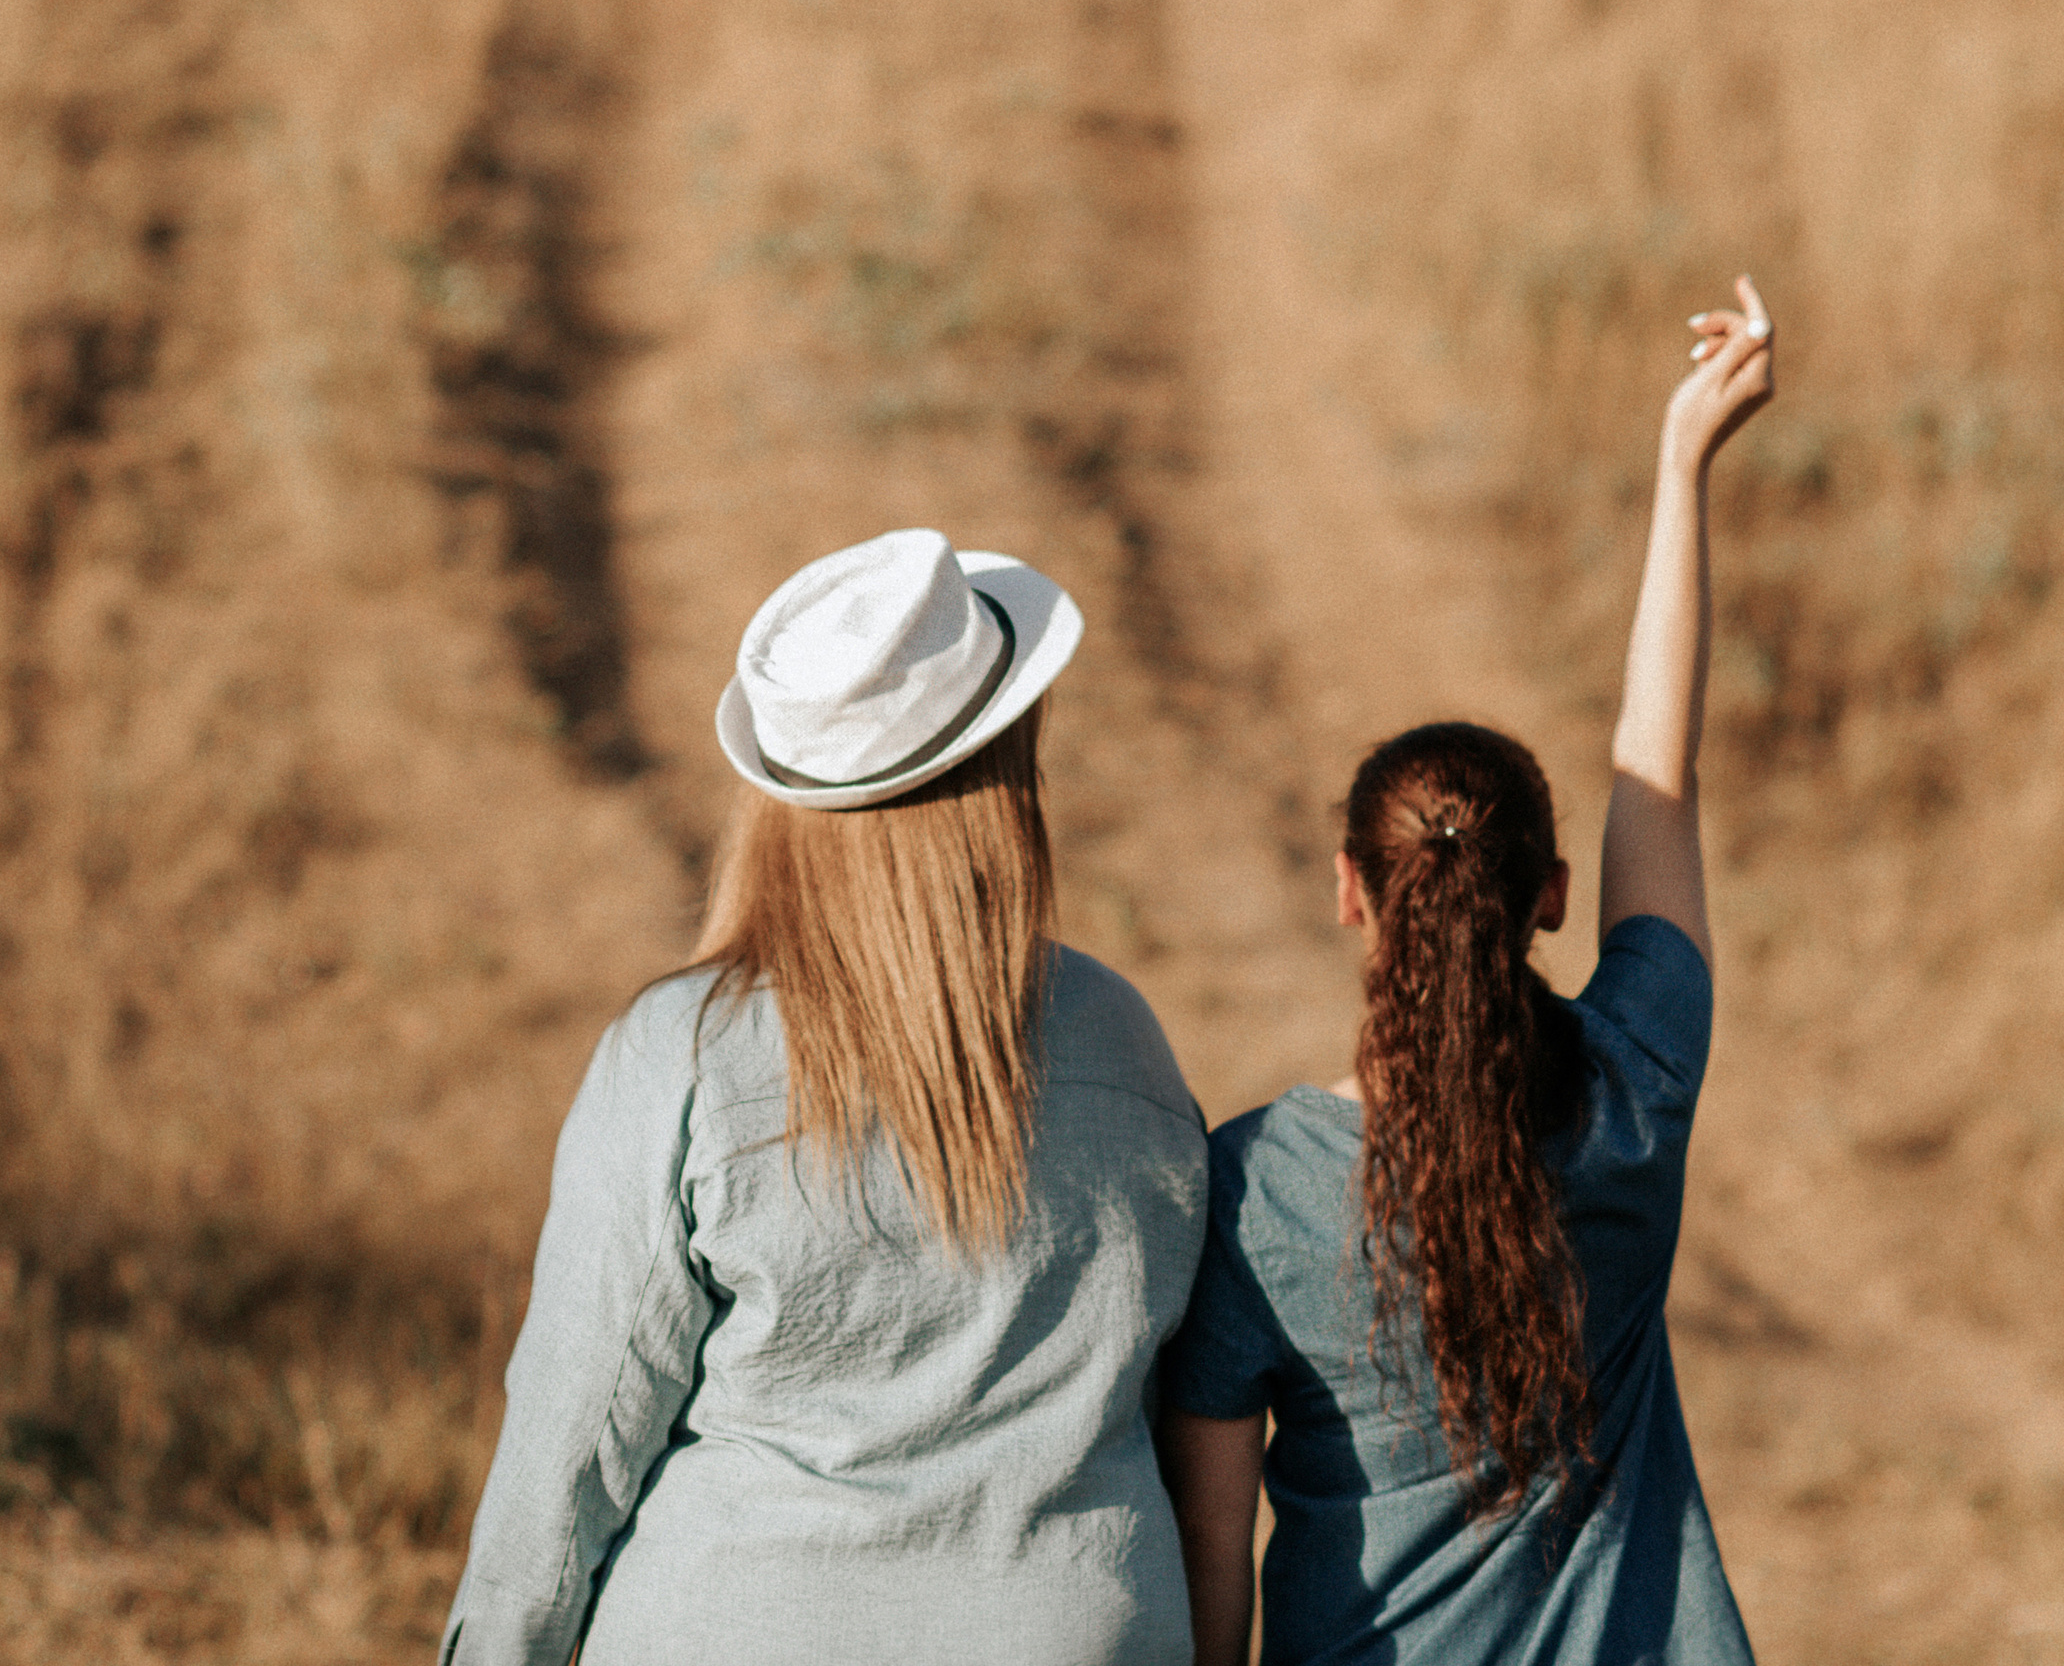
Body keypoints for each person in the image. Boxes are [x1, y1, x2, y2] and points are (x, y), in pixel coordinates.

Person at [442, 528, 1209, 1666]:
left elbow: (580, 1427)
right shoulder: (1123, 1037)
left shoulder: (688, 1053)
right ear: (1009, 769)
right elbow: (1167, 1379)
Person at [1157, 278, 1778, 1666]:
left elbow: (1212, 1553)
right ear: (1550, 900)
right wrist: (1684, 463)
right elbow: (1658, 774)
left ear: (1351, 897)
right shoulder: (1634, 1089)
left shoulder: (1256, 1193)